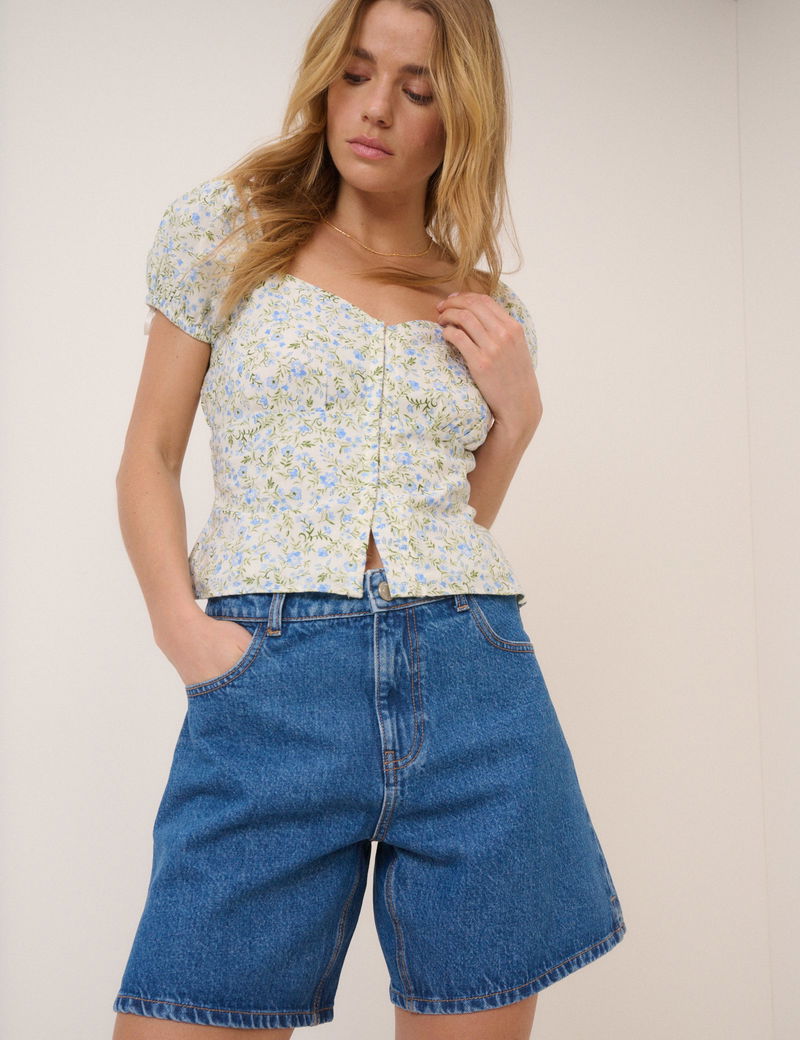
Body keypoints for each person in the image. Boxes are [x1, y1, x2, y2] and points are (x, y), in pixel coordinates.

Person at [111, 0, 627, 1036]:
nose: (376, 107)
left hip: (475, 691)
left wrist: (517, 415)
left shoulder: (488, 313)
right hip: (271, 687)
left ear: (459, 117)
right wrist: (184, 632)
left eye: (416, 88)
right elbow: (150, 456)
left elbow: (450, 520)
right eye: (356, 74)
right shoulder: (227, 236)